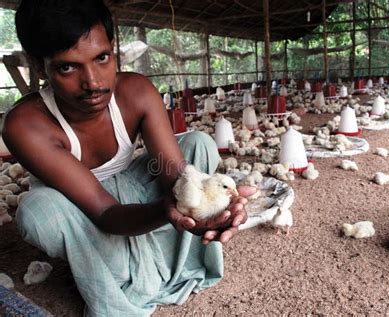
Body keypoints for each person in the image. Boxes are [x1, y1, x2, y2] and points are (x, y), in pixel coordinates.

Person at [5, 0, 255, 315]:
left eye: (102, 58)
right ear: (40, 66)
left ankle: (147, 260)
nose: (93, 83)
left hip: (133, 187)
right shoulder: (26, 125)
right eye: (68, 67)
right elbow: (105, 212)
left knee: (198, 144)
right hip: (82, 211)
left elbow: (174, 174)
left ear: (114, 48)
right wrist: (166, 211)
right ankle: (113, 270)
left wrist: (198, 205)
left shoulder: (135, 92)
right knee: (38, 211)